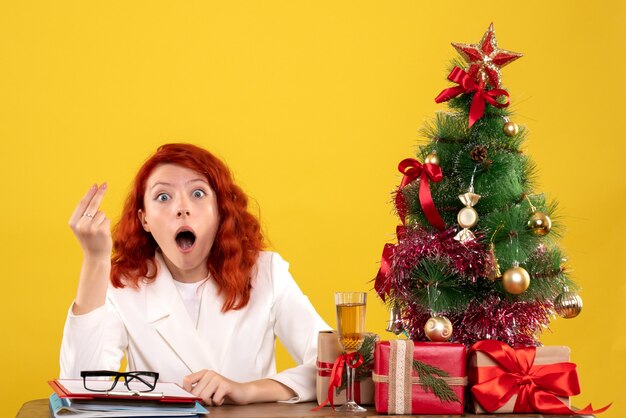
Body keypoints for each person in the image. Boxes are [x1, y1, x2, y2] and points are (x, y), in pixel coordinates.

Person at [60, 143, 330, 405]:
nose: (182, 208)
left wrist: (247, 391)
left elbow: (333, 368)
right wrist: (95, 262)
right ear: (145, 220)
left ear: (219, 211)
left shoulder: (265, 272)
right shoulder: (124, 287)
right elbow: (80, 391)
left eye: (198, 193)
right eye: (163, 197)